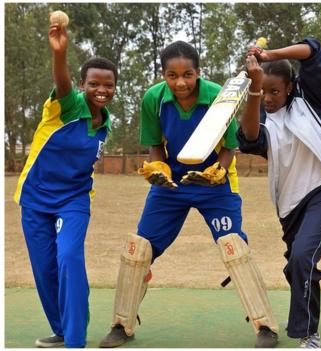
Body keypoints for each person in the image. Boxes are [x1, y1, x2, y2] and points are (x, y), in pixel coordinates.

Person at [98, 41, 279, 348]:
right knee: (138, 251)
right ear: (163, 74)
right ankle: (121, 325)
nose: (180, 82)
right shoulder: (153, 99)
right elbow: (156, 144)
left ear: (198, 72)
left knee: (234, 247)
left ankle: (265, 326)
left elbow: (229, 147)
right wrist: (160, 169)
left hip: (213, 183)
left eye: (188, 74)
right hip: (172, 186)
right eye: (172, 75)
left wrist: (217, 172)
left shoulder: (218, 96)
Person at [238, 38, 321, 348]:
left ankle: (308, 334)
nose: (268, 98)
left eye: (274, 91)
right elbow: (249, 136)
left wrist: (270, 55)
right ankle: (310, 320)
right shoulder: (261, 118)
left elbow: (313, 51)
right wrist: (254, 86)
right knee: (297, 266)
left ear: (290, 87)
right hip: (291, 205)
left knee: (303, 255)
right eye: (263, 91)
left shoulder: (307, 99)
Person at [13, 17, 118, 348]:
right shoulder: (67, 107)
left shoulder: (105, 127)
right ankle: (61, 330)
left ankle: (75, 340)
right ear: (83, 85)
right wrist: (60, 54)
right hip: (34, 199)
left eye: (109, 85)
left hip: (73, 200)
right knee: (45, 271)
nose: (101, 90)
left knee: (69, 257)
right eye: (94, 84)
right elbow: (62, 83)